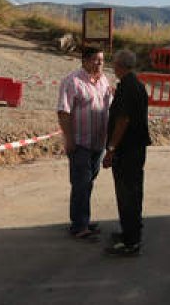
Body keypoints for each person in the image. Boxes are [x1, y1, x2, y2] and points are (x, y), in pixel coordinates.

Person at [56, 46, 113, 240]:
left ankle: (83, 220)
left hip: (98, 143)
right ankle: (79, 226)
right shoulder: (72, 81)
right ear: (85, 61)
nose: (100, 63)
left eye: (102, 60)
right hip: (80, 142)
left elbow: (108, 105)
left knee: (88, 183)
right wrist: (69, 139)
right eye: (96, 60)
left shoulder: (104, 80)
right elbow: (63, 112)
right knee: (81, 183)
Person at [103, 48, 151, 257]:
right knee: (133, 192)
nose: (113, 67)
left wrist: (111, 149)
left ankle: (131, 242)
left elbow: (122, 120)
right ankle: (130, 233)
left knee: (127, 195)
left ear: (120, 65)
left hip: (127, 150)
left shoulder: (127, 88)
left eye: (114, 63)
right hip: (136, 148)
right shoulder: (136, 84)